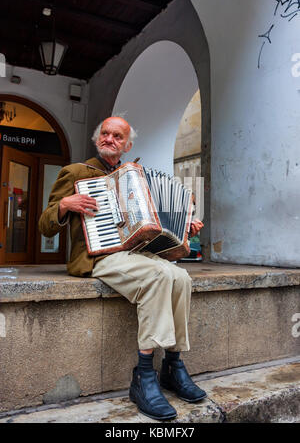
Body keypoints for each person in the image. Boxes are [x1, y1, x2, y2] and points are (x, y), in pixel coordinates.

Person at [39, 116, 206, 421]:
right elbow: (45, 224)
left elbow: (154, 232)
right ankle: (144, 376)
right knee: (158, 276)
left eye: (117, 136)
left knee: (179, 276)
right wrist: (65, 205)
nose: (110, 139)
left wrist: (184, 232)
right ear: (96, 138)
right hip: (98, 256)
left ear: (127, 145)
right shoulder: (76, 172)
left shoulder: (137, 178)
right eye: (105, 133)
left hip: (136, 254)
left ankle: (173, 363)